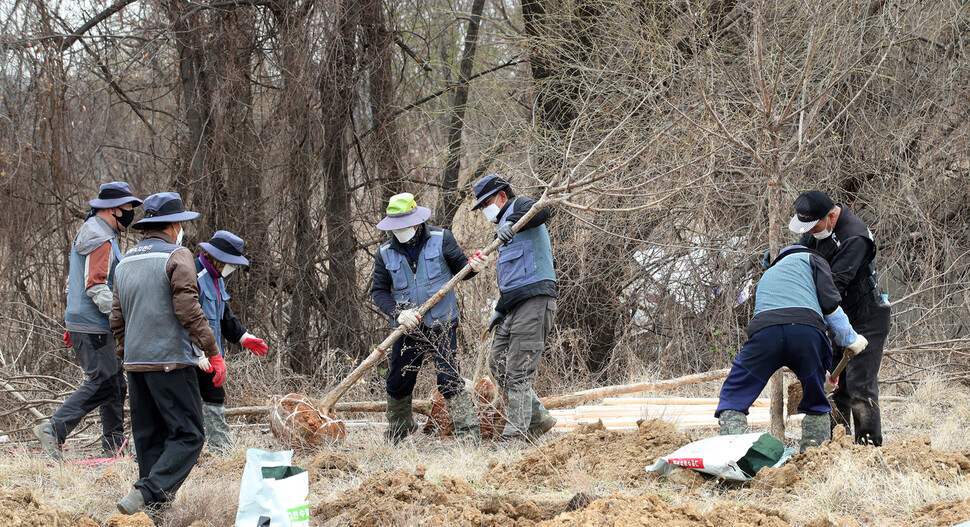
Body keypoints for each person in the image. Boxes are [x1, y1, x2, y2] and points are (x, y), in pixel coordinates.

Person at [110, 192, 224, 514]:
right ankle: (148, 491)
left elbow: (116, 318)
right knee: (189, 434)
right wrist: (212, 350)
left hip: (135, 365)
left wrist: (126, 352)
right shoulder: (178, 255)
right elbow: (188, 309)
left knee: (149, 439)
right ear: (175, 224)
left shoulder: (126, 260)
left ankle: (153, 516)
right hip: (171, 363)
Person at [715, 245, 869, 453]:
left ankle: (731, 453)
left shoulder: (769, 274)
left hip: (765, 335)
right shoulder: (813, 259)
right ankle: (813, 458)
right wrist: (850, 339)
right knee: (816, 400)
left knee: (734, 395)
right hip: (805, 334)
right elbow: (830, 305)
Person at [34, 182, 143, 461]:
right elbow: (95, 285)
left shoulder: (93, 230)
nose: (131, 214)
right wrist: (120, 319)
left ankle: (114, 445)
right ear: (111, 209)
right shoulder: (100, 237)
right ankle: (54, 429)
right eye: (128, 208)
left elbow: (74, 283)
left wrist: (73, 317)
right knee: (104, 380)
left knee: (115, 382)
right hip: (95, 324)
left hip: (86, 322)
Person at [371, 193, 489, 443]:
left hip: (442, 321)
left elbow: (462, 270)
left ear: (416, 222)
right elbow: (379, 291)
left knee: (448, 377)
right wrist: (398, 313)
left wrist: (475, 267)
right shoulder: (384, 252)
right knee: (398, 379)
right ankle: (399, 428)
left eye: (403, 226)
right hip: (408, 326)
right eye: (394, 227)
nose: (398, 231)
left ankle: (469, 433)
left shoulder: (441, 238)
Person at [789, 190, 891, 446]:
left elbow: (835, 285)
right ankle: (836, 445)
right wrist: (783, 258)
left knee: (859, 386)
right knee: (836, 386)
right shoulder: (817, 228)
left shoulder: (854, 236)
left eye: (814, 227)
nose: (810, 232)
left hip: (865, 317)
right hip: (837, 315)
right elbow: (802, 251)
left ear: (831, 215)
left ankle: (868, 448)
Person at [471, 174, 557, 441]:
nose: (486, 210)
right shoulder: (502, 233)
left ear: (502, 196)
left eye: (487, 203)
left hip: (535, 302)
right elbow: (512, 278)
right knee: (496, 362)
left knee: (519, 371)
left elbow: (544, 209)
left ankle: (516, 435)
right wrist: (499, 309)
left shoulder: (523, 210)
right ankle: (539, 418)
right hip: (513, 307)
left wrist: (510, 221)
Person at [195, 230, 268, 451]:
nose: (230, 268)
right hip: (191, 355)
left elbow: (224, 315)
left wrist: (243, 336)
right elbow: (183, 316)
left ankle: (220, 449)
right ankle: (188, 448)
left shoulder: (217, 280)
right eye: (228, 263)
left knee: (215, 397)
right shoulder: (192, 274)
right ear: (213, 257)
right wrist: (196, 353)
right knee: (185, 404)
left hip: (213, 354)